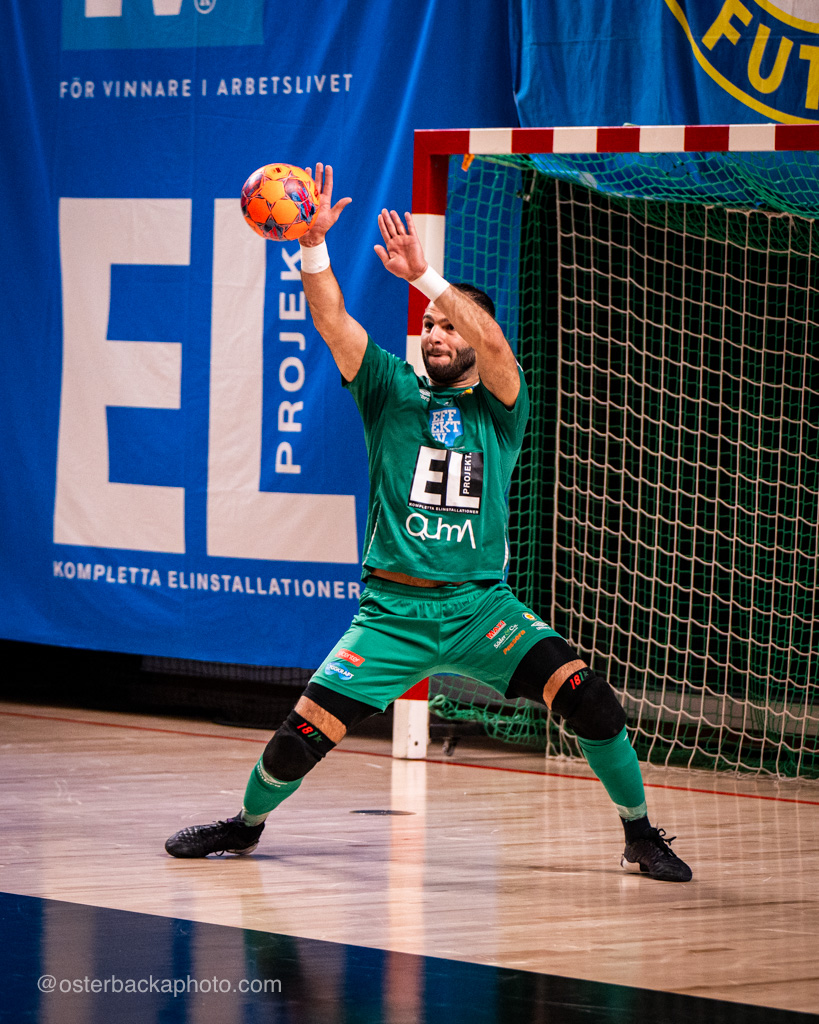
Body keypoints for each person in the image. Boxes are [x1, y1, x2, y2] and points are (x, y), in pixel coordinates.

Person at [165, 164, 692, 882]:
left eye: (448, 324)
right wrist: (314, 246)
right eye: (428, 325)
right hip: (392, 614)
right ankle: (245, 825)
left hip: (480, 610)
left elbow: (497, 349)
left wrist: (425, 278)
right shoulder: (388, 390)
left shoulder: (501, 409)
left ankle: (639, 834)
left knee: (588, 699)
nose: (435, 333)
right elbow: (332, 321)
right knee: (300, 737)